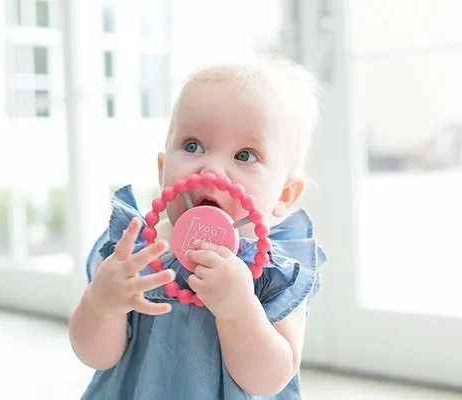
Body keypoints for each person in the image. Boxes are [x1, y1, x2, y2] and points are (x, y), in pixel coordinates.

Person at [69, 57, 327, 399]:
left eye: (245, 155)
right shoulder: (134, 251)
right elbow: (96, 355)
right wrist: (101, 305)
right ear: (163, 170)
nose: (212, 169)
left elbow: (269, 381)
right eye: (193, 146)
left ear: (284, 194)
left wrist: (239, 311)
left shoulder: (274, 272)